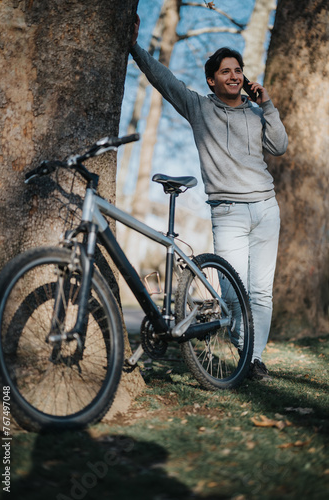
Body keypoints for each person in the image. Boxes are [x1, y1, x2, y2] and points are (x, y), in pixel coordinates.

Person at [130, 15, 288, 380]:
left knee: (262, 292)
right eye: (226, 71)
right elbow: (164, 80)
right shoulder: (199, 108)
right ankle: (247, 349)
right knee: (233, 295)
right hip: (228, 211)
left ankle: (253, 360)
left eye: (238, 70)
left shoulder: (254, 113)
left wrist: (267, 105)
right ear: (212, 79)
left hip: (266, 209)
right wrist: (134, 48)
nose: (234, 76)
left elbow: (279, 146)